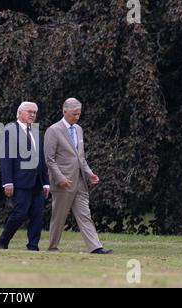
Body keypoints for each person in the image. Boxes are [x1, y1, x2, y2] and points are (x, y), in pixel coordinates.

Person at [44, 98, 112, 254]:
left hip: (80, 181)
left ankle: (95, 247)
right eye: (74, 114)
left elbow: (80, 157)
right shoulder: (53, 130)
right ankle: (53, 247)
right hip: (63, 182)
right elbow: (49, 159)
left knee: (85, 214)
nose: (77, 117)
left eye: (79, 114)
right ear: (65, 111)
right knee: (59, 217)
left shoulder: (79, 129)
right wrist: (60, 178)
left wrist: (89, 174)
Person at [0, 102, 50, 251]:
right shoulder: (10, 130)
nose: (32, 115)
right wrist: (7, 182)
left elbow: (41, 159)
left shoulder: (35, 131)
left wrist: (46, 182)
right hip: (19, 182)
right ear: (19, 113)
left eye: (35, 112)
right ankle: (3, 240)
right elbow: (6, 158)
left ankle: (33, 246)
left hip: (38, 182)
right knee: (19, 213)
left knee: (37, 215)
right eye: (29, 112)